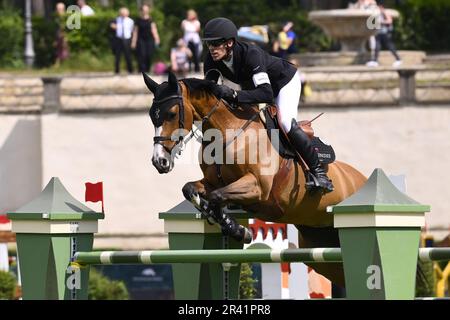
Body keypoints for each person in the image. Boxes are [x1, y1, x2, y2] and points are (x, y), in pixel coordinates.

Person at [202, 17, 333, 193]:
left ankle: (319, 174)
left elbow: (266, 93)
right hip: (254, 88)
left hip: (284, 82)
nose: (212, 48)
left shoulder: (251, 54)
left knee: (285, 122)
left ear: (230, 43)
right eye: (209, 44)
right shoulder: (211, 60)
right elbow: (209, 91)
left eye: (216, 43)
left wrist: (233, 94)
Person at [132, 4, 160, 73]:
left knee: (149, 55)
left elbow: (154, 30)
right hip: (140, 40)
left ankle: (148, 69)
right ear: (141, 11)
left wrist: (157, 38)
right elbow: (135, 32)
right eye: (143, 10)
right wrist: (133, 42)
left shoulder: (151, 20)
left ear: (148, 11)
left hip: (149, 40)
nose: (145, 11)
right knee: (142, 55)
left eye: (146, 10)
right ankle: (141, 70)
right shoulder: (138, 20)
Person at [110, 7, 134, 74]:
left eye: (124, 12)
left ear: (127, 13)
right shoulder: (116, 19)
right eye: (122, 12)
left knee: (128, 55)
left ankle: (130, 70)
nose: (123, 14)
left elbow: (132, 31)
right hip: (118, 39)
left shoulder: (130, 21)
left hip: (127, 39)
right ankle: (117, 70)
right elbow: (111, 25)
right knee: (117, 56)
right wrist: (113, 26)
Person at [54, 2, 69, 66]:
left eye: (60, 9)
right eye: (57, 9)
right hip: (59, 37)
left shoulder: (65, 18)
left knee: (64, 52)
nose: (58, 10)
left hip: (63, 37)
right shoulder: (57, 18)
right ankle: (59, 65)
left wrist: (65, 37)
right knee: (58, 51)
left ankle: (65, 64)